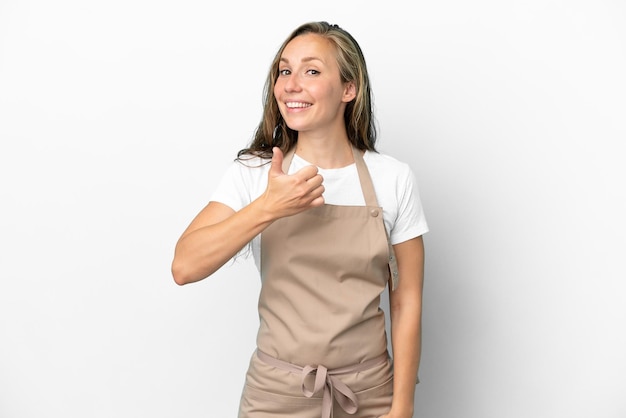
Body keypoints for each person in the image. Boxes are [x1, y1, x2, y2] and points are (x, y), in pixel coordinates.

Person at [171, 21, 428, 418]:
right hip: (275, 396)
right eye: (284, 70)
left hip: (369, 395)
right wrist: (268, 207)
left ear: (349, 88)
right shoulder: (254, 174)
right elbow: (184, 266)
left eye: (311, 71)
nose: (291, 84)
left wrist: (402, 407)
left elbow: (406, 297)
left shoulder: (392, 178)